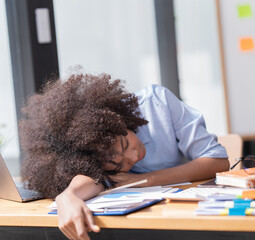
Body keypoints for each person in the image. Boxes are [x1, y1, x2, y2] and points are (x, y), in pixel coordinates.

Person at [19, 73, 229, 240]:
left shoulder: (157, 103)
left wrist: (145, 180)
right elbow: (91, 179)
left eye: (125, 143)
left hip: (195, 216)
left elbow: (217, 161)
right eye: (119, 166)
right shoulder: (95, 157)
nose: (134, 156)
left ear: (118, 121)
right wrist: (68, 196)